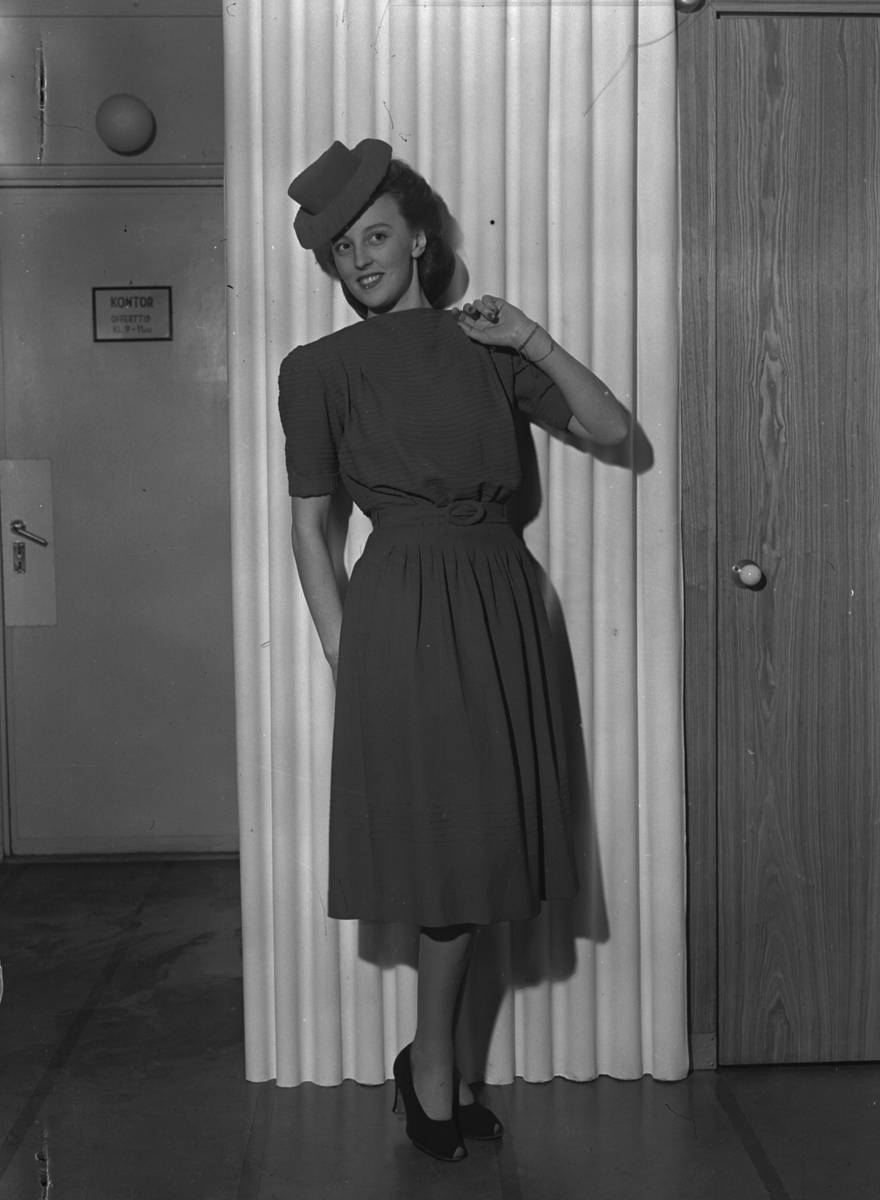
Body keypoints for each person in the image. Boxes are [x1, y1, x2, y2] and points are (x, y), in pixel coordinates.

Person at [279, 138, 627, 1163]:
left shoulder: (487, 344)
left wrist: (533, 339)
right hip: (402, 615)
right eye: (344, 248)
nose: (360, 260)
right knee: (449, 855)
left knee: (485, 849)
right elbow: (309, 532)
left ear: (419, 240)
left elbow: (611, 429)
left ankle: (433, 1063)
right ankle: (434, 1067)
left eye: (376, 236)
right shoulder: (317, 371)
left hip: (502, 602)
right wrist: (348, 653)